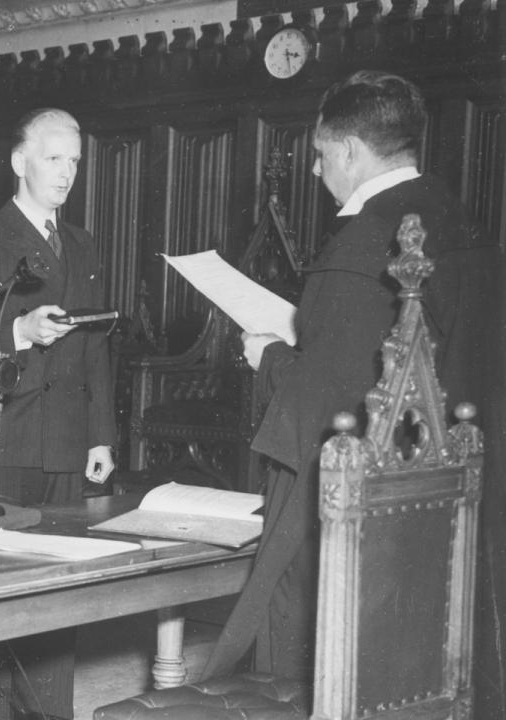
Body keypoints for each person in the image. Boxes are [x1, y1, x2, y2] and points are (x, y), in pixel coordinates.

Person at [204, 70, 503, 693]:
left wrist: (269, 356)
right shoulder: (465, 224)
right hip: (457, 499)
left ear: (348, 151)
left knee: (306, 662)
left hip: (362, 515)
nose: (316, 172)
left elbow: (328, 408)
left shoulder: (360, 244)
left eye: (318, 155)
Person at [0, 107, 117, 720]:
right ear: (19, 162)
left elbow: (96, 346)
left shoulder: (85, 244)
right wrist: (17, 329)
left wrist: (101, 437)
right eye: (53, 158)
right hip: (3, 443)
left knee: (59, 601)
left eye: (74, 161)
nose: (67, 172)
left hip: (68, 445)